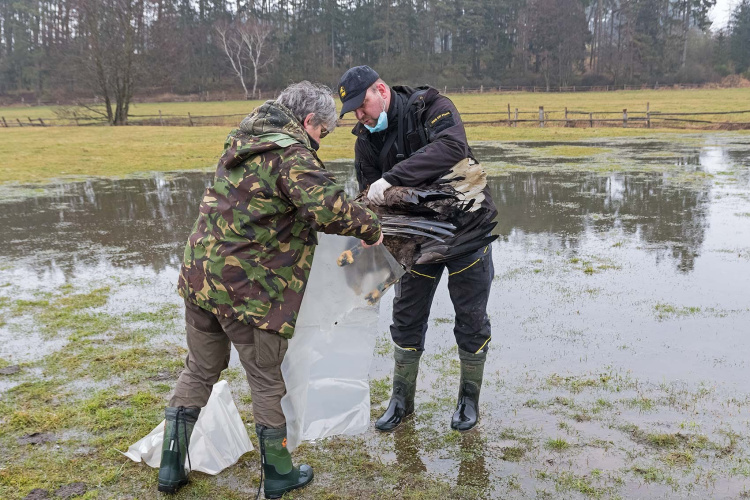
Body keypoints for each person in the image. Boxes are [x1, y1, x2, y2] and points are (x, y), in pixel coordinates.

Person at [158, 81, 382, 498]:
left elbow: (271, 204)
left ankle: (171, 467)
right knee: (266, 379)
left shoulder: (242, 141)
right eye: (323, 133)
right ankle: (278, 474)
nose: (320, 142)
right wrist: (371, 228)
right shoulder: (291, 154)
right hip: (249, 291)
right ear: (309, 121)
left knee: (199, 369)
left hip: (201, 278)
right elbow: (330, 206)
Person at [338, 65, 497, 433]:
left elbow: (452, 147)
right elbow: (369, 201)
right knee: (406, 318)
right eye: (355, 113)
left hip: (465, 230)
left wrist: (393, 178)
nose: (360, 117)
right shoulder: (365, 140)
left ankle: (468, 400)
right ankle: (401, 401)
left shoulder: (430, 106)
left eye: (363, 106)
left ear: (381, 89)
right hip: (414, 242)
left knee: (471, 319)